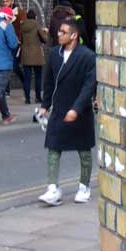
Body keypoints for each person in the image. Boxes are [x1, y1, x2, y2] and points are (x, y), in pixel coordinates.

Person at [36, 16, 98, 206]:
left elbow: (89, 87)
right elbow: (48, 82)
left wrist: (76, 109)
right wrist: (45, 106)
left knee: (84, 151)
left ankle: (84, 187)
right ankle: (53, 189)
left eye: (63, 32)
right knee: (53, 148)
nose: (58, 34)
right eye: (59, 31)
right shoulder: (54, 54)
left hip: (80, 111)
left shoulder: (88, 56)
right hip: (59, 109)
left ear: (74, 35)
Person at [18, 9, 49, 104]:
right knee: (38, 77)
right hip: (36, 55)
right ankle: (38, 97)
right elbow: (44, 39)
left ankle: (27, 99)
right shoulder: (37, 25)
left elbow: (21, 39)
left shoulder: (22, 26)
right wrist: (45, 32)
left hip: (26, 55)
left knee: (27, 78)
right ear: (35, 17)